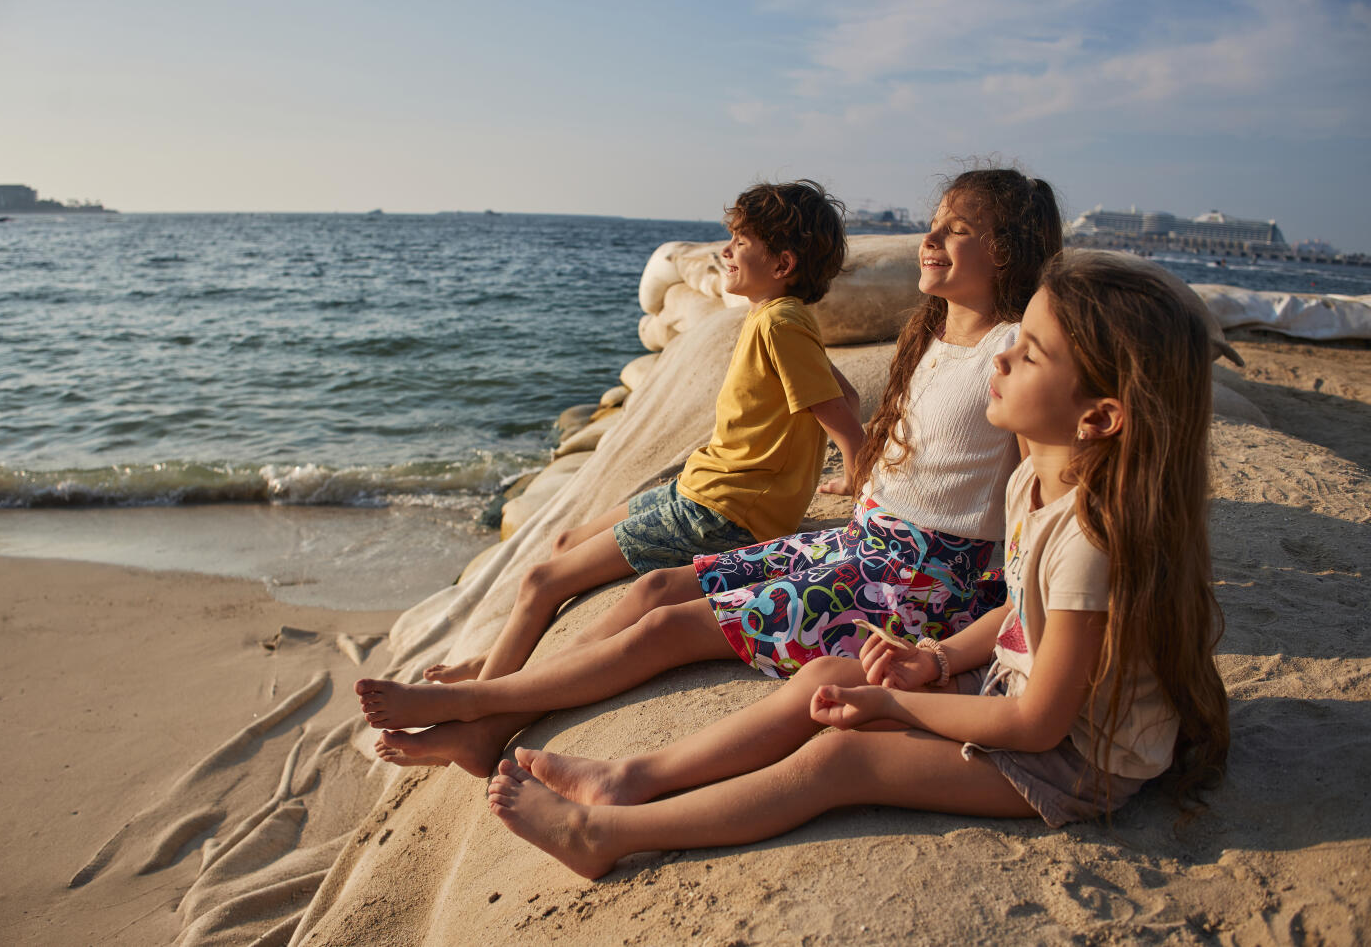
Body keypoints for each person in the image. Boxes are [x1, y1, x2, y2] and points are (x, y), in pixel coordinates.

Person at [485, 249, 1231, 879]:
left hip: (1077, 758)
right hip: (1018, 689)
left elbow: (1037, 725)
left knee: (843, 759)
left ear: (1099, 416)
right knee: (827, 674)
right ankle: (628, 778)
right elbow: (1017, 615)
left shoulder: (1095, 543)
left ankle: (604, 837)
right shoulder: (1032, 479)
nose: (1000, 354)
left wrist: (896, 706)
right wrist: (933, 661)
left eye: (1029, 352)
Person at [356, 168, 1064, 778]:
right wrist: (863, 480)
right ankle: (490, 723)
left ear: (1005, 252)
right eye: (933, 225)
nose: (930, 239)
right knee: (656, 590)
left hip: (916, 587)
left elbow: (1037, 492)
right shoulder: (929, 334)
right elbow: (902, 441)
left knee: (665, 631)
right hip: (860, 545)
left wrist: (976, 638)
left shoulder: (1011, 356)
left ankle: (479, 706)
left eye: (956, 229)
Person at [418, 179, 862, 687]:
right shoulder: (775, 316)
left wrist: (856, 483)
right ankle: (498, 661)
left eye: (741, 242)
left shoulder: (781, 323)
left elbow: (844, 422)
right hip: (704, 487)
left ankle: (483, 703)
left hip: (722, 513)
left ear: (782, 265)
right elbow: (844, 395)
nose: (725, 250)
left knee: (541, 581)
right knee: (565, 543)